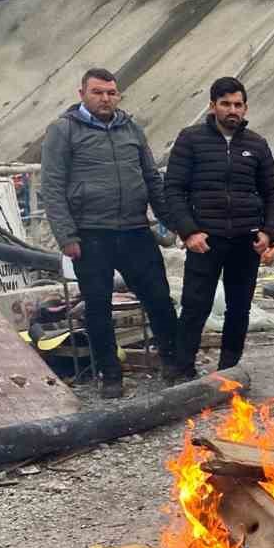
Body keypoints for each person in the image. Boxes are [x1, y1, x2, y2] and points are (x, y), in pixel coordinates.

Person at [41, 67, 182, 399]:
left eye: (111, 92)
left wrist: (172, 222)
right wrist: (67, 237)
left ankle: (174, 363)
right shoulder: (63, 131)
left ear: (117, 95)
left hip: (135, 229)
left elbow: (151, 178)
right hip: (91, 235)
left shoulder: (131, 128)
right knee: (98, 306)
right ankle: (110, 376)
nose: (105, 98)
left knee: (160, 298)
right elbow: (52, 187)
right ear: (82, 95)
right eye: (97, 92)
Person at [164, 76, 274, 380]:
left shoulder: (256, 144)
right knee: (194, 305)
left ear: (245, 107)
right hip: (206, 240)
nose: (233, 110)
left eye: (238, 104)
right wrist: (189, 232)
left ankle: (228, 371)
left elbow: (272, 193)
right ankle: (183, 369)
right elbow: (174, 189)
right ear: (213, 105)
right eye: (226, 104)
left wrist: (268, 233)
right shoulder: (190, 139)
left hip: (246, 241)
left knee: (239, 308)